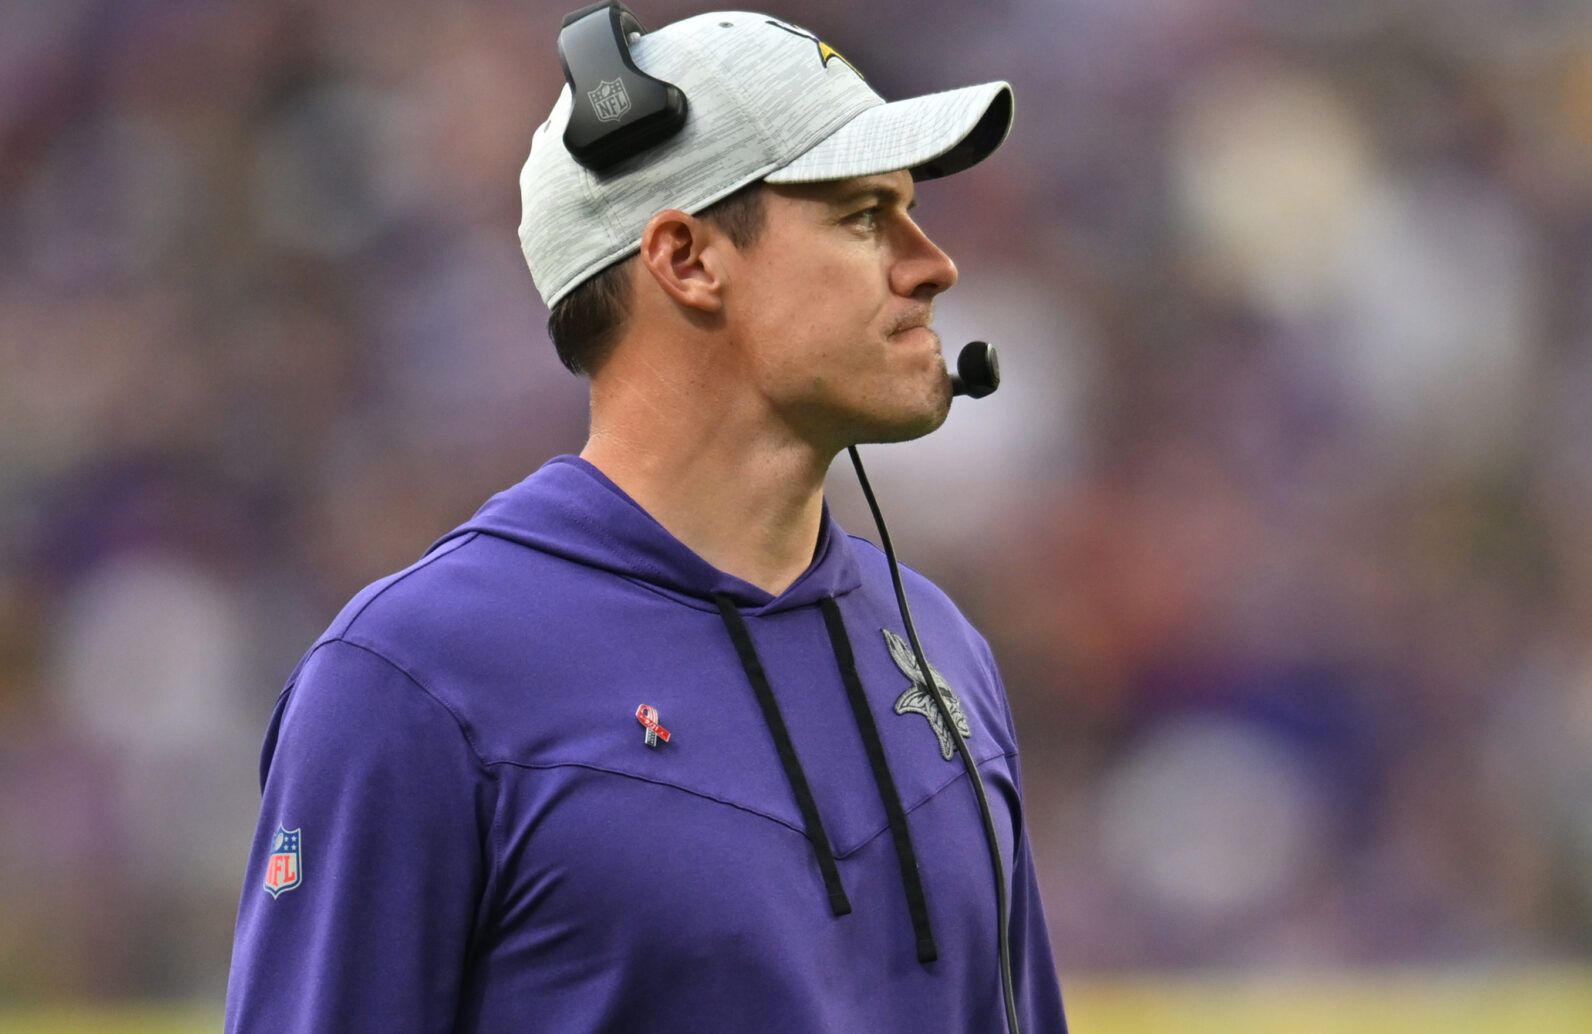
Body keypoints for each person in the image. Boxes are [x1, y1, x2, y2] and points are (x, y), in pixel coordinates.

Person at [225, 6, 1068, 1032]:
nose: (931, 263)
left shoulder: (939, 645)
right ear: (687, 258)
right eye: (860, 215)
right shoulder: (414, 679)